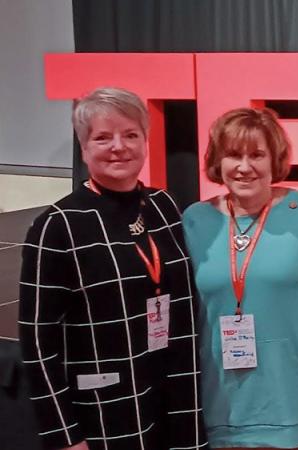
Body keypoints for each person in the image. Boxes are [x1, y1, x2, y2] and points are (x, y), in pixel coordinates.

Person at [18, 87, 207, 450]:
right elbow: (38, 342)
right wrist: (64, 436)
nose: (119, 146)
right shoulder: (59, 225)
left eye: (130, 134)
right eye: (103, 137)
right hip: (107, 410)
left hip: (175, 395)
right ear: (84, 147)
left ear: (145, 140)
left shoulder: (162, 206)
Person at [182, 107, 298, 450]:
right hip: (223, 409)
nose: (245, 167)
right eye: (234, 155)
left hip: (297, 407)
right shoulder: (194, 220)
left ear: (274, 159)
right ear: (218, 161)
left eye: (257, 155)